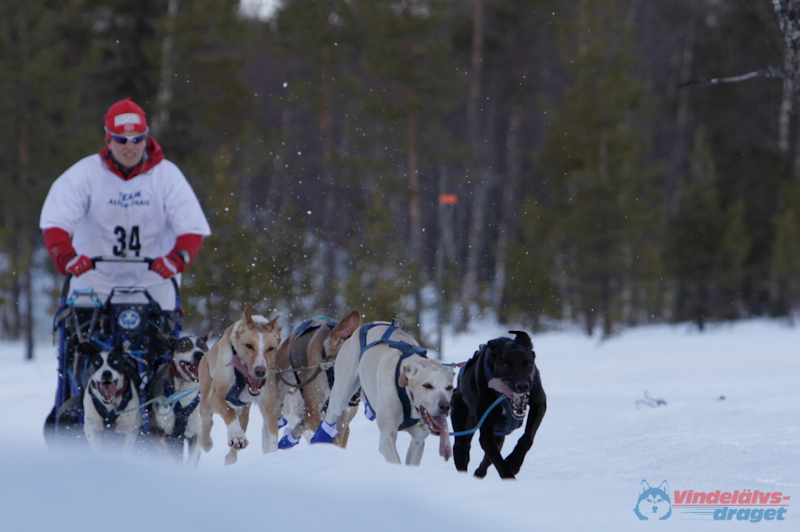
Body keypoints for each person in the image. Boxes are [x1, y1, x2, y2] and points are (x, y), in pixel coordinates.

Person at [39, 98, 211, 311]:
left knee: (162, 342)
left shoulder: (167, 175)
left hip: (154, 290)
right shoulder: (84, 174)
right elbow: (55, 223)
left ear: (146, 138)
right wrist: (67, 258)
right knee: (84, 342)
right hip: (93, 290)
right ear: (108, 139)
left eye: (137, 139)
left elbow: (191, 228)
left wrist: (175, 260)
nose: (130, 147)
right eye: (122, 140)